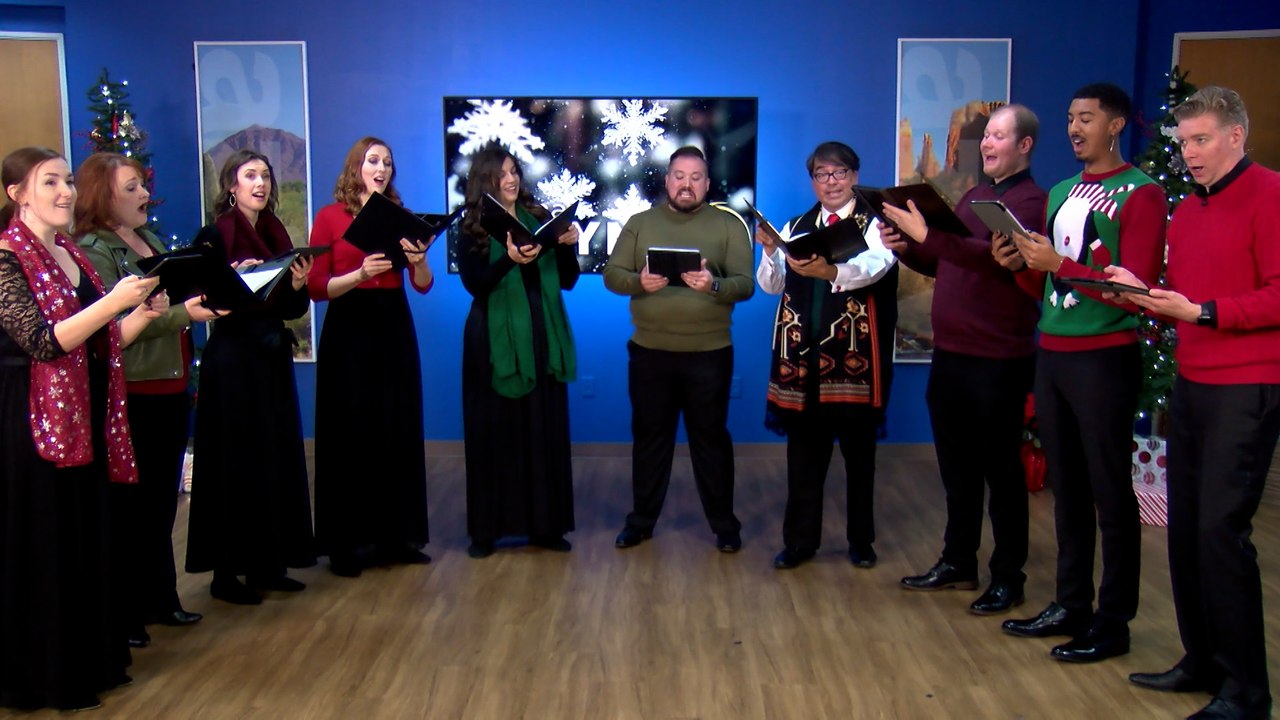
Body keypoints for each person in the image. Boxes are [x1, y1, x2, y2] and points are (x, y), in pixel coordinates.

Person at [1108, 87, 1280, 720]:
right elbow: (1181, 296)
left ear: (1237, 135)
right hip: (1194, 380)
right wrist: (1145, 293)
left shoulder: (1271, 195)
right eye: (1183, 142)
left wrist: (1204, 312)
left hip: (1249, 384)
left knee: (1219, 532)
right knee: (1185, 528)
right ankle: (1201, 660)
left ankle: (1246, 692)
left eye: (1201, 140)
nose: (1190, 154)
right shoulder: (1186, 211)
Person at [995, 83, 1166, 663]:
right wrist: (1020, 265)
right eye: (1070, 118)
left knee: (1110, 492)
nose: (1074, 128)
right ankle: (1071, 604)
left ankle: (1113, 622)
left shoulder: (1142, 194)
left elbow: (1136, 291)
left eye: (1086, 118)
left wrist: (1059, 264)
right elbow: (1047, 285)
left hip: (1105, 357)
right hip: (1054, 351)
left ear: (1115, 125)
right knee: (1066, 489)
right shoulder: (1061, 191)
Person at [0, 146, 164, 711]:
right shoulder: (5, 258)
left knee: (82, 539)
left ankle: (89, 660)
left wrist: (139, 313)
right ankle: (43, 675)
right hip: (31, 421)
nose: (65, 192)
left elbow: (100, 343)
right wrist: (113, 303)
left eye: (68, 180)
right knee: (44, 544)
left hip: (84, 416)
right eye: (50, 182)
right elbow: (45, 342)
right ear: (17, 194)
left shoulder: (70, 251)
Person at [881, 105, 1046, 613]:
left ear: (1024, 145)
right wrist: (907, 247)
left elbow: (993, 260)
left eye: (998, 136)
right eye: (986, 136)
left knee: (1001, 471)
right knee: (957, 468)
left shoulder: (1032, 202)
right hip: (952, 354)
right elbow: (949, 259)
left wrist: (929, 236)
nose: (987, 144)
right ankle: (958, 561)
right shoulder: (977, 196)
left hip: (998, 358)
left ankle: (1009, 576)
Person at [76, 152, 213, 649]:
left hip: (171, 388)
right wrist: (183, 315)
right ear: (103, 194)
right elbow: (114, 329)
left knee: (159, 502)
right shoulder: (94, 251)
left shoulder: (151, 241)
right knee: (130, 508)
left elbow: (169, 303)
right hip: (132, 393)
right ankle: (126, 610)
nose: (144, 195)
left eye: (142, 185)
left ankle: (161, 597)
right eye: (131, 187)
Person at [755, 141, 897, 570]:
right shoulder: (796, 225)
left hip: (855, 362)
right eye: (821, 174)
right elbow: (772, 286)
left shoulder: (875, 223)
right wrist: (770, 251)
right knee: (803, 457)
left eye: (839, 173)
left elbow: (875, 268)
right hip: (802, 362)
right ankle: (800, 542)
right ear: (812, 180)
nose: (830, 182)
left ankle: (861, 541)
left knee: (859, 457)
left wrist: (830, 271)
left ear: (854, 176)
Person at [605, 145, 755, 552]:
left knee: (711, 441)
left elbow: (746, 284)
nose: (686, 184)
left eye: (695, 177)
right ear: (667, 179)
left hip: (709, 354)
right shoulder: (640, 223)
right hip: (649, 352)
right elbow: (612, 275)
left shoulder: (729, 225)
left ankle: (725, 527)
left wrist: (714, 285)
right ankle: (641, 522)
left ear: (707, 184)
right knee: (650, 439)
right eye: (679, 176)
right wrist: (638, 282)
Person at [184, 149, 317, 604]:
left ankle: (268, 563)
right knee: (234, 461)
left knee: (273, 456)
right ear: (231, 185)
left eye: (265, 175)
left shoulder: (276, 231)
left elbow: (292, 309)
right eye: (250, 175)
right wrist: (233, 280)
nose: (260, 183)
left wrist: (296, 284)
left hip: (270, 358)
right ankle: (226, 574)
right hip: (233, 360)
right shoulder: (215, 234)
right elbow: (202, 298)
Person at [308, 137, 433, 577]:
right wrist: (359, 273)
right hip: (349, 326)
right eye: (373, 160)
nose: (381, 168)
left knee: (396, 425)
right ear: (356, 167)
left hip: (393, 324)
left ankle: (395, 537)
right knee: (350, 431)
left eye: (387, 162)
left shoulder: (400, 215)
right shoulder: (330, 217)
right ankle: (344, 543)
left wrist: (419, 261)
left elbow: (423, 284)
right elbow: (317, 287)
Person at [458, 144, 580, 559]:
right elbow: (476, 285)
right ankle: (487, 531)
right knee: (493, 433)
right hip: (491, 342)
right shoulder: (473, 226)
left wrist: (567, 245)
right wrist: (509, 260)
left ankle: (545, 527)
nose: (511, 179)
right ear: (485, 180)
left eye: (514, 171)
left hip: (541, 335)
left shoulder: (538, 218)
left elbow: (568, 280)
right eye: (501, 173)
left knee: (542, 430)